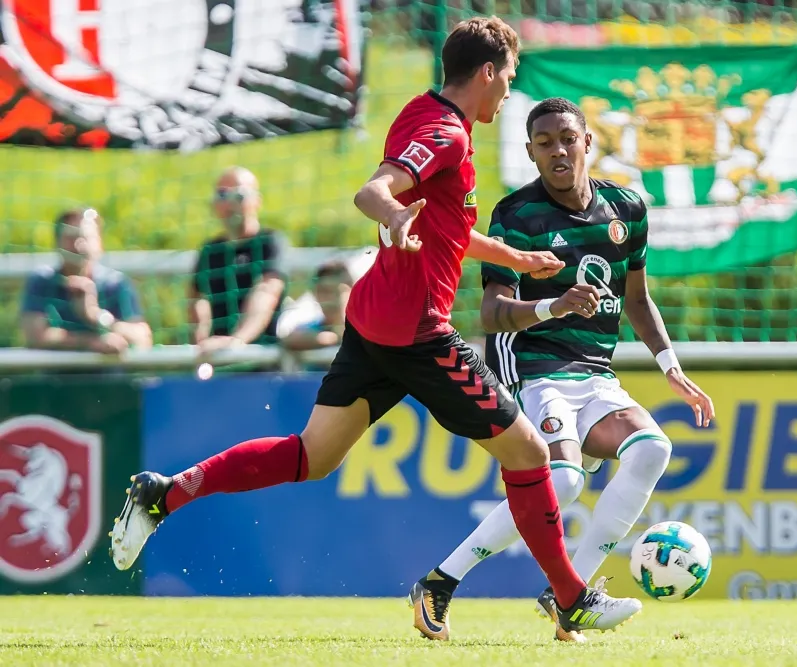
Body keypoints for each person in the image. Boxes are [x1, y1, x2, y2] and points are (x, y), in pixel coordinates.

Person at [109, 18, 642, 641]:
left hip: (374, 320)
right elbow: (376, 191)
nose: (508, 94)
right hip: (416, 330)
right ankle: (572, 598)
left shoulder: (428, 112)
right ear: (490, 72)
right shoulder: (446, 132)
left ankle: (162, 494)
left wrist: (514, 258)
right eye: (509, 80)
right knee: (529, 454)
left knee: (312, 456)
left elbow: (440, 226)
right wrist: (391, 215)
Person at [419, 98, 716, 642]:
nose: (558, 149)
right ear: (531, 154)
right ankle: (441, 582)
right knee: (565, 481)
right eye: (544, 142)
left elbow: (639, 300)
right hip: (532, 369)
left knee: (653, 448)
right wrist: (555, 305)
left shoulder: (626, 209)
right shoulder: (515, 216)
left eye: (566, 138)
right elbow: (490, 313)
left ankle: (569, 593)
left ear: (588, 143)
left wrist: (670, 366)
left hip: (596, 377)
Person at [20, 208, 152, 354]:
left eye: (85, 238)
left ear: (99, 243)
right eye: (71, 238)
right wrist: (90, 342)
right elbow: (36, 337)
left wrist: (95, 315)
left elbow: (141, 338)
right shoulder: (42, 282)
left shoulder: (115, 283)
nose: (78, 245)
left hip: (110, 376)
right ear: (57, 243)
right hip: (57, 376)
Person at [190, 167, 287, 354]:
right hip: (217, 354)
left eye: (240, 196)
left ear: (257, 201)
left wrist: (238, 340)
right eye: (222, 195)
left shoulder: (269, 242)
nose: (230, 203)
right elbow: (194, 296)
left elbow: (267, 292)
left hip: (264, 356)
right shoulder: (210, 250)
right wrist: (200, 337)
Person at [280, 259, 354, 351]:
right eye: (324, 291)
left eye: (337, 291)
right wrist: (334, 338)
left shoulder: (366, 328)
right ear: (315, 294)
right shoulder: (311, 328)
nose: (330, 298)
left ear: (353, 292)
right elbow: (289, 339)